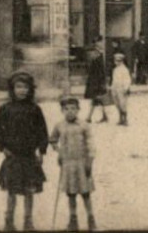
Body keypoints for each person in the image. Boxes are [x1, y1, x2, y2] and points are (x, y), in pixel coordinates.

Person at [0, 70, 49, 231]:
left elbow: (42, 131)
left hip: (29, 156)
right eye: (18, 87)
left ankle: (28, 221)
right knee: (11, 191)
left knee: (29, 190)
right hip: (13, 156)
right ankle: (9, 221)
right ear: (12, 89)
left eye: (25, 87)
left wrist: (41, 151)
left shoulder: (35, 109)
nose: (22, 90)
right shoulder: (5, 109)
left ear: (30, 89)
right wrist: (3, 148)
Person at [49, 94, 96, 231]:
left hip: (82, 164)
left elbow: (91, 145)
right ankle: (73, 220)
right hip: (68, 165)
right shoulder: (59, 125)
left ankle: (91, 219)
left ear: (78, 110)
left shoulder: (84, 126)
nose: (70, 111)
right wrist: (59, 152)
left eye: (73, 108)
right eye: (67, 109)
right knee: (71, 193)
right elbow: (52, 139)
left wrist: (90, 161)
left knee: (85, 193)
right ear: (62, 111)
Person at [83, 35, 109, 123]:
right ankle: (100, 116)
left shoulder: (98, 53)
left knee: (97, 98)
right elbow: (95, 69)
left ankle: (90, 117)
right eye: (101, 42)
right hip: (95, 80)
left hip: (97, 79)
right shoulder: (95, 53)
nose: (102, 43)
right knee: (97, 98)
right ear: (97, 43)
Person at [109, 50, 133, 126]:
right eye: (115, 60)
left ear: (121, 61)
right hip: (115, 88)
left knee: (123, 104)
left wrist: (126, 88)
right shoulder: (115, 69)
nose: (116, 62)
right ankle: (120, 118)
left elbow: (127, 80)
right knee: (117, 104)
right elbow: (114, 80)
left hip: (122, 88)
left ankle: (125, 119)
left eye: (118, 61)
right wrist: (111, 88)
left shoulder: (124, 69)